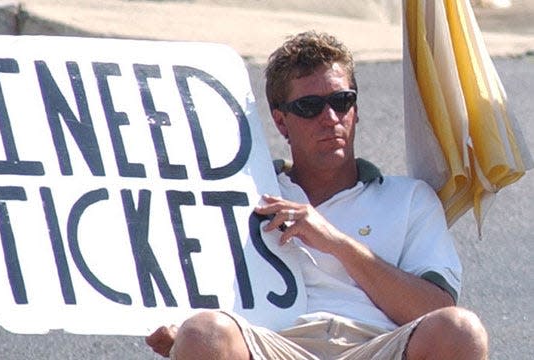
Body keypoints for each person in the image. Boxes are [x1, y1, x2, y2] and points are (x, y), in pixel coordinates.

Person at [146, 31, 488, 359]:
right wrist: (181, 329)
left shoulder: (410, 198)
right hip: (273, 344)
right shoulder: (243, 193)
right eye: (310, 107)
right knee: (203, 333)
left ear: (355, 109)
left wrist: (335, 242)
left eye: (342, 102)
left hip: (377, 345)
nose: (330, 118)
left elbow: (436, 310)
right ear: (281, 122)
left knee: (462, 329)